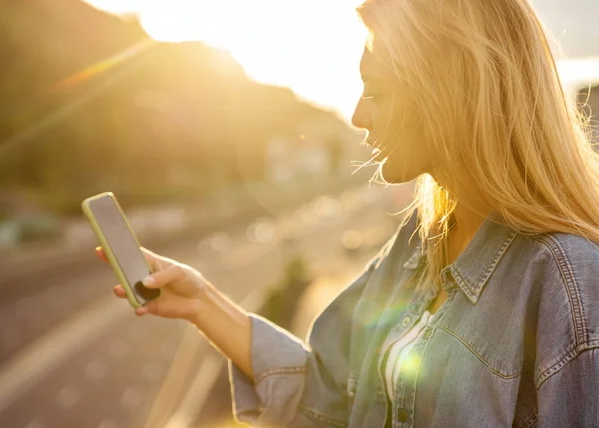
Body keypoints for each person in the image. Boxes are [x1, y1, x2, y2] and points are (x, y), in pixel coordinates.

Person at [98, 0, 599, 426]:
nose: (359, 114)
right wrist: (202, 302)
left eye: (376, 90)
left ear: (451, 90)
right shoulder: (417, 246)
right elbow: (331, 396)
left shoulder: (567, 280)